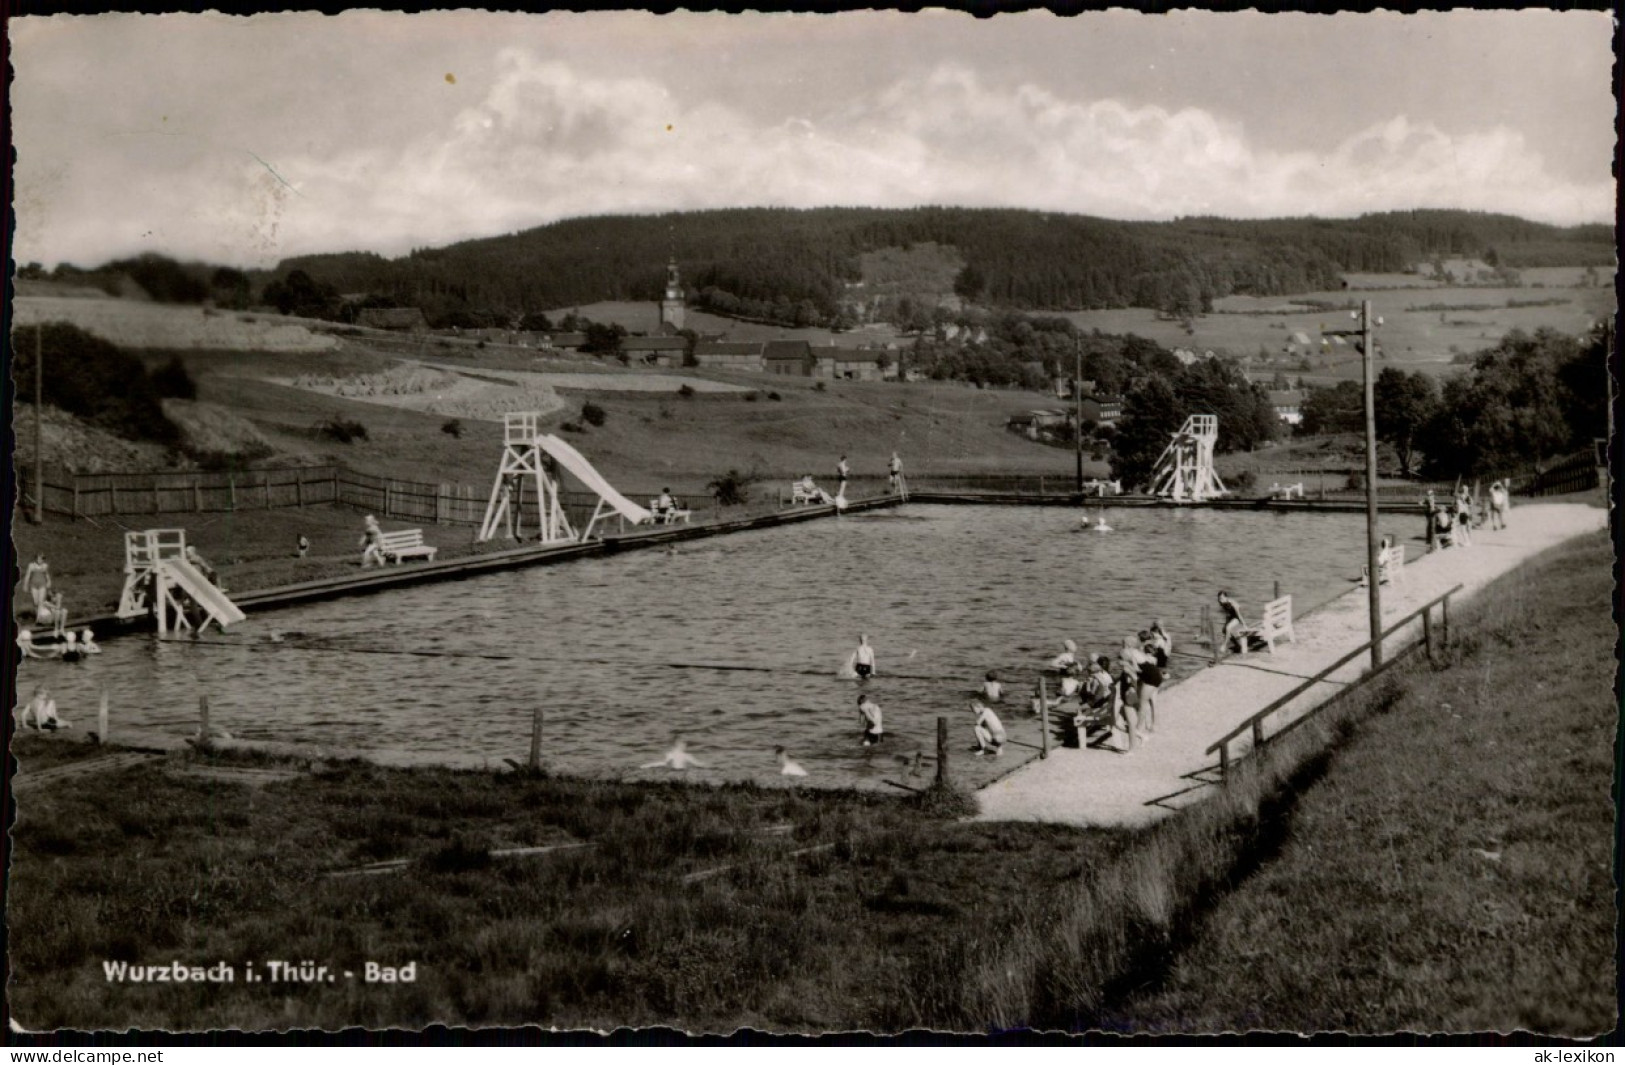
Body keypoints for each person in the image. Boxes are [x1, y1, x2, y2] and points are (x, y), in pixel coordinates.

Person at [1117, 637, 1148, 746]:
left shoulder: (1126, 669)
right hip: (1134, 694)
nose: (1118, 662)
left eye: (1119, 659)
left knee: (1130, 723)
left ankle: (1132, 749)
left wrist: (1130, 687)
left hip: (1129, 696)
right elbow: (1138, 673)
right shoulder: (1134, 663)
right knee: (1127, 721)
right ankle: (1141, 736)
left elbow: (1132, 679)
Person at [1135, 632, 1164, 736]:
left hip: (1148, 678)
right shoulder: (1153, 646)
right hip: (1156, 676)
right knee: (1153, 702)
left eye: (1138, 638)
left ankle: (1142, 726)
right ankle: (1153, 724)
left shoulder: (1142, 649)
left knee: (1144, 702)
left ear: (1140, 639)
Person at [23, 553, 51, 617]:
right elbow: (28, 575)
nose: (40, 560)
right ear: (36, 559)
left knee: (41, 601)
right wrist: (25, 585)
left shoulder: (45, 566)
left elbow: (47, 574)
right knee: (36, 602)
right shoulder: (31, 565)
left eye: (42, 559)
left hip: (42, 584)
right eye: (39, 558)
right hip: (34, 585)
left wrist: (49, 582)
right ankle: (37, 614)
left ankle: (39, 618)